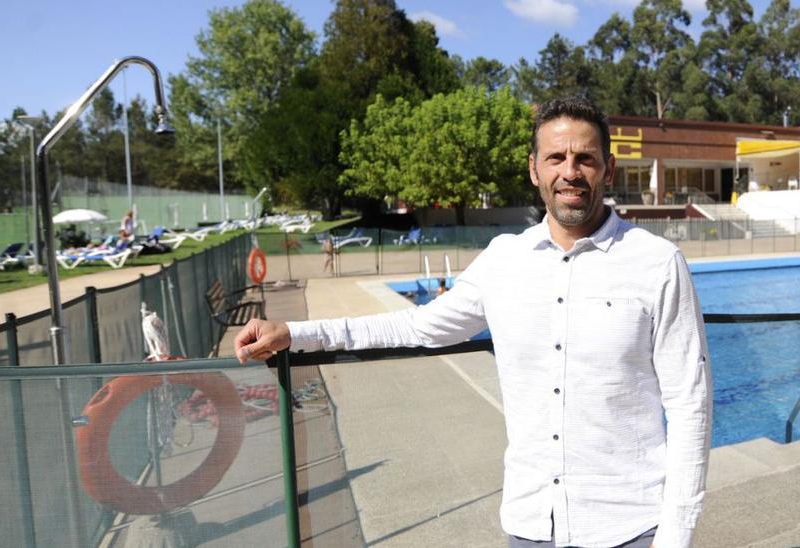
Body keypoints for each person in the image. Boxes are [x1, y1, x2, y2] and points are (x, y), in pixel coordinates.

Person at [235, 97, 712, 548]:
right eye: (555, 158)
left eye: (585, 158)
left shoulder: (656, 262)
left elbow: (690, 403)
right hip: (531, 526)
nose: (570, 172)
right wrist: (296, 333)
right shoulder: (504, 259)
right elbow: (416, 328)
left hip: (629, 526)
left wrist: (675, 536)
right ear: (534, 169)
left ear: (607, 168)